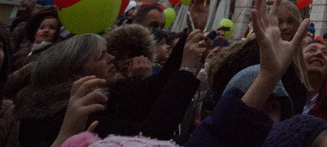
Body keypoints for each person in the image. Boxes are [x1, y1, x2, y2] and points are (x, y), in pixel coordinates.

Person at [187, 0, 327, 147]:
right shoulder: (256, 55)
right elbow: (232, 115)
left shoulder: (297, 63)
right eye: (280, 21)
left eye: (290, 21)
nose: (285, 27)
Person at [15, 26, 207, 146]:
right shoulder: (75, 115)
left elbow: (154, 89)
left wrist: (192, 31)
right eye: (101, 56)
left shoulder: (106, 94)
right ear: (75, 74)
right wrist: (187, 70)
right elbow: (150, 134)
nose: (112, 58)